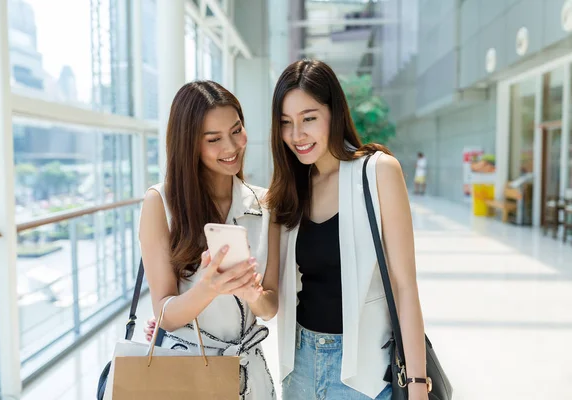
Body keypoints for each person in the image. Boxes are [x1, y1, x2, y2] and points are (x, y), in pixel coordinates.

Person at [266, 60, 429, 400]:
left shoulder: (378, 172)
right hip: (299, 367)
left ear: (334, 112)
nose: (297, 135)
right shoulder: (290, 189)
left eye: (309, 118)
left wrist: (416, 386)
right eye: (286, 123)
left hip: (364, 373)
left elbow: (404, 286)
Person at [139, 80, 279, 400]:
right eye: (214, 139)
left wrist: (252, 292)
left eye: (236, 130)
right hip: (187, 375)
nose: (231, 147)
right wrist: (208, 288)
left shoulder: (265, 204)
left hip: (250, 376)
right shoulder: (160, 203)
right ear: (189, 144)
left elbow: (269, 308)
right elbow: (165, 314)